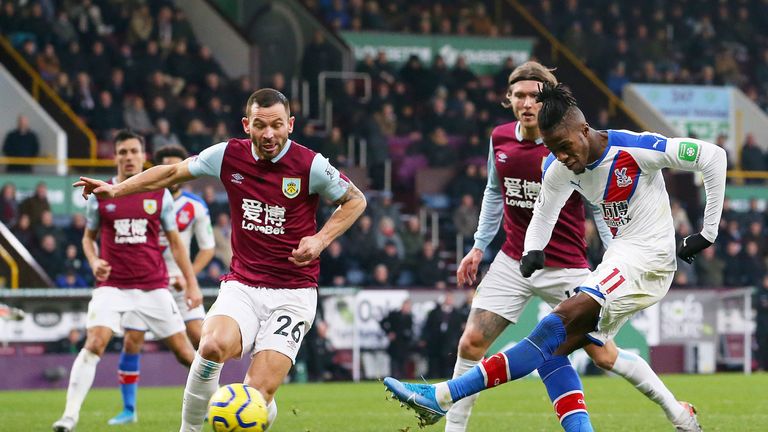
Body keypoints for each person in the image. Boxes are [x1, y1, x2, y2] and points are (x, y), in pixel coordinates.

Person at [384, 82, 726, 432]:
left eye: (563, 147)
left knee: (552, 327)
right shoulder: (558, 165)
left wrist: (707, 233)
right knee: (552, 352)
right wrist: (534, 248)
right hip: (622, 257)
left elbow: (713, 157)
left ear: (584, 130)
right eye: (552, 149)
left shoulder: (635, 148)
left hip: (648, 258)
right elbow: (544, 214)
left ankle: (441, 396)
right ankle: (679, 417)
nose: (561, 156)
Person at [73, 89, 367, 432]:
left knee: (256, 395)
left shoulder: (310, 164)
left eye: (276, 125)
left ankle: (260, 407)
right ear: (247, 125)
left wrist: (320, 239)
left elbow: (355, 200)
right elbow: (171, 173)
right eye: (260, 125)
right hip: (242, 284)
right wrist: (116, 190)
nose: (268, 134)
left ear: (290, 125)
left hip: (293, 292)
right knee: (211, 346)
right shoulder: (228, 155)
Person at [52, 130, 202, 432]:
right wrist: (94, 261)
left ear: (142, 155)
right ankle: (68, 418)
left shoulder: (159, 193)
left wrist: (192, 283)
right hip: (113, 287)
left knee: (187, 354)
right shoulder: (101, 193)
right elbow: (87, 238)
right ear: (116, 156)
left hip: (153, 287)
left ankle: (219, 403)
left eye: (134, 151)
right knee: (95, 342)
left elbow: (175, 243)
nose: (129, 157)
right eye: (123, 152)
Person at [108, 144, 216, 425]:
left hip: (180, 281)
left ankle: (213, 402)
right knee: (132, 340)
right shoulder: (144, 195)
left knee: (201, 340)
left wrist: (188, 275)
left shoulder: (195, 207)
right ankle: (129, 410)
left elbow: (207, 248)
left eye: (178, 166)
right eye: (167, 166)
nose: (174, 172)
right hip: (146, 281)